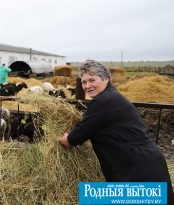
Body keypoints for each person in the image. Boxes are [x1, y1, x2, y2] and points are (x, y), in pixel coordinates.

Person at [58, 59, 173, 203]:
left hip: (137, 169)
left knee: (93, 197)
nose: (87, 86)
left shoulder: (104, 101)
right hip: (143, 161)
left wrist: (66, 139)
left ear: (105, 78)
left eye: (92, 80)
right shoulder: (110, 96)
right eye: (84, 82)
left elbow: (76, 137)